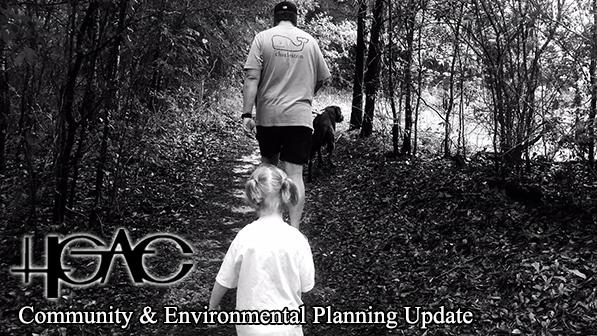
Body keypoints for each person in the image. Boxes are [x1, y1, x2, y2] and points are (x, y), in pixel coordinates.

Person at [241, 1, 331, 230]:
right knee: (295, 174)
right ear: (295, 18)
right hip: (299, 117)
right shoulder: (310, 41)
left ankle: (267, 223)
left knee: (268, 169)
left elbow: (251, 78)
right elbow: (322, 78)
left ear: (275, 18)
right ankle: (295, 230)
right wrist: (305, 96)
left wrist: (246, 114)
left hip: (268, 115)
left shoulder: (262, 38)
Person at [209, 164, 315, 336]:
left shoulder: (245, 236)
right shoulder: (296, 239)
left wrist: (213, 306)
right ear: (285, 195)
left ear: (254, 197)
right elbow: (306, 285)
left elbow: (224, 279)